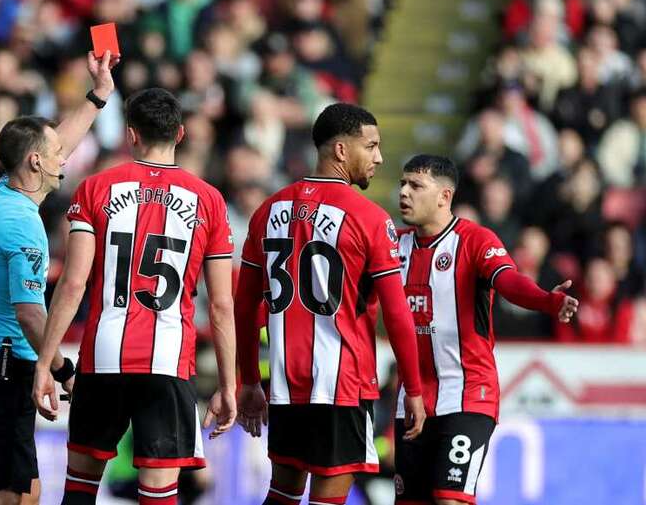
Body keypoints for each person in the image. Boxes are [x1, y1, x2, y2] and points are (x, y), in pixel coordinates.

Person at [32, 87, 237, 505]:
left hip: (104, 353)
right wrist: (229, 385)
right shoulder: (210, 201)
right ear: (180, 134)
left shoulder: (96, 188)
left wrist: (44, 365)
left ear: (130, 135)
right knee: (158, 493)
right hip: (168, 358)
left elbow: (73, 284)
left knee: (81, 487)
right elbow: (220, 305)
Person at [235, 103, 426, 505]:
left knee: (283, 493)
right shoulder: (370, 218)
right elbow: (396, 314)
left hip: (287, 385)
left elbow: (244, 304)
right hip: (343, 384)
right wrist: (412, 387)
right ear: (341, 151)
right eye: (371, 146)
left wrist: (250, 379)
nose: (378, 157)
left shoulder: (268, 211)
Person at [0, 50, 117, 505]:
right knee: (10, 498)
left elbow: (55, 142)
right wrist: (62, 369)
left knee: (22, 493)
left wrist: (98, 96)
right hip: (4, 369)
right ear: (34, 163)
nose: (64, 158)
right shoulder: (21, 224)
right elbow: (29, 313)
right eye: (54, 154)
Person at [393, 154, 579, 505]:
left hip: (468, 396)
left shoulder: (475, 239)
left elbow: (508, 280)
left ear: (444, 196)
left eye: (416, 185)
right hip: (413, 399)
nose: (404, 192)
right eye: (402, 183)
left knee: (450, 499)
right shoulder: (393, 246)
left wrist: (546, 300)